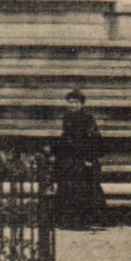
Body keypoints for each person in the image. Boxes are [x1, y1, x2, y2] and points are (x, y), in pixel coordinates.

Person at [54, 89, 106, 230]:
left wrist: (89, 158)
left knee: (85, 189)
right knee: (67, 188)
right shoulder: (67, 118)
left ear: (82, 104)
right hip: (70, 159)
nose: (73, 105)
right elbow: (65, 138)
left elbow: (94, 139)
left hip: (84, 158)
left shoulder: (88, 119)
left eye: (76, 102)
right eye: (70, 102)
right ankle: (67, 220)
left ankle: (87, 221)